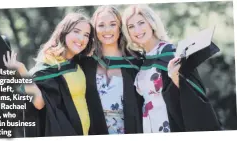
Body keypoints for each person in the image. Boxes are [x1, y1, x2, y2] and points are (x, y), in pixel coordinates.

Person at [121, 4, 222, 133]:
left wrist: (175, 76)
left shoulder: (170, 53)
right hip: (149, 127)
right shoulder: (142, 60)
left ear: (151, 23)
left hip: (169, 126)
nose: (137, 30)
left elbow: (189, 93)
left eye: (141, 23)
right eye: (131, 26)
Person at [47, 5, 143, 135]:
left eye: (112, 24)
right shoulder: (85, 63)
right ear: (95, 30)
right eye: (101, 25)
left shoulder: (135, 62)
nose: (107, 30)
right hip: (95, 131)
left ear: (120, 28)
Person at [3, 12, 94, 136]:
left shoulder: (79, 62)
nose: (81, 39)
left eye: (86, 35)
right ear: (64, 32)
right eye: (76, 31)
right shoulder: (49, 65)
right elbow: (39, 103)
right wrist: (22, 70)